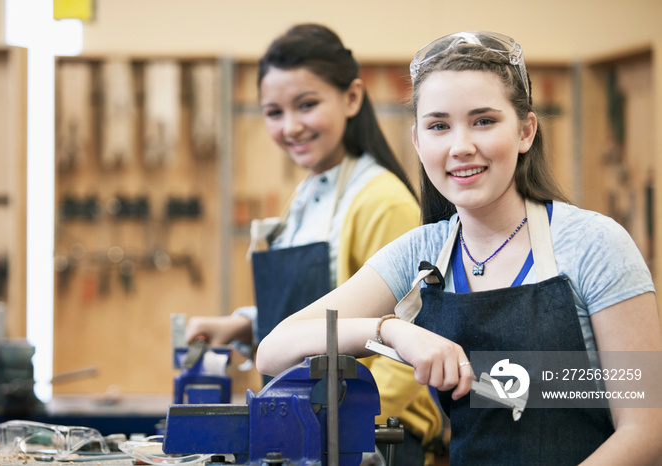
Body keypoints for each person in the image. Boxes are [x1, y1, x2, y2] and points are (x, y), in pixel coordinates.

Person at [257, 31, 662, 465]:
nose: (460, 146)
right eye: (439, 126)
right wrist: (391, 331)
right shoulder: (422, 253)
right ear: (418, 141)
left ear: (526, 131)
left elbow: (646, 430)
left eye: (484, 121)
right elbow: (274, 349)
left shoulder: (594, 244)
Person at [186, 24, 443, 465]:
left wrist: (355, 427)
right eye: (273, 112)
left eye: (306, 105)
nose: (291, 126)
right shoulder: (304, 198)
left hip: (371, 436)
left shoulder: (381, 201)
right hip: (302, 424)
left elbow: (414, 344)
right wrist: (244, 325)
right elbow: (316, 305)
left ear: (351, 97)